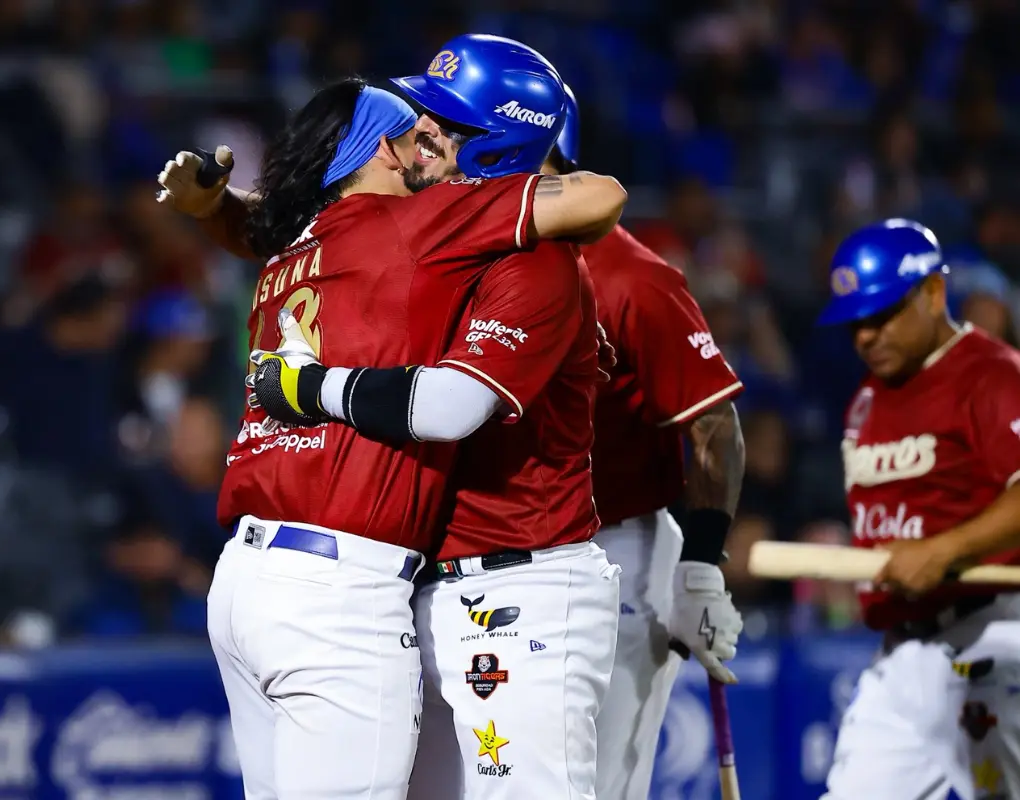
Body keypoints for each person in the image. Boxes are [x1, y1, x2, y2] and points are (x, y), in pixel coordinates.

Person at [159, 50, 626, 800]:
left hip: (509, 589)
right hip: (363, 583)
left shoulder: (333, 243)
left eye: (442, 123)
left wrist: (311, 387)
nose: (427, 135)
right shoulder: (415, 225)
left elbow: (451, 405)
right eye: (417, 128)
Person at [546, 86, 747, 799]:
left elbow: (714, 426)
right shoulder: (464, 256)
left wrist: (698, 568)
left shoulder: (630, 276)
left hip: (615, 550)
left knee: (593, 785)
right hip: (493, 557)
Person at [814, 219, 1020, 799]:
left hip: (994, 635)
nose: (866, 336)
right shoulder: (867, 399)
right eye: (857, 322)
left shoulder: (991, 373)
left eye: (882, 316)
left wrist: (944, 550)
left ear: (933, 293)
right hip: (903, 654)